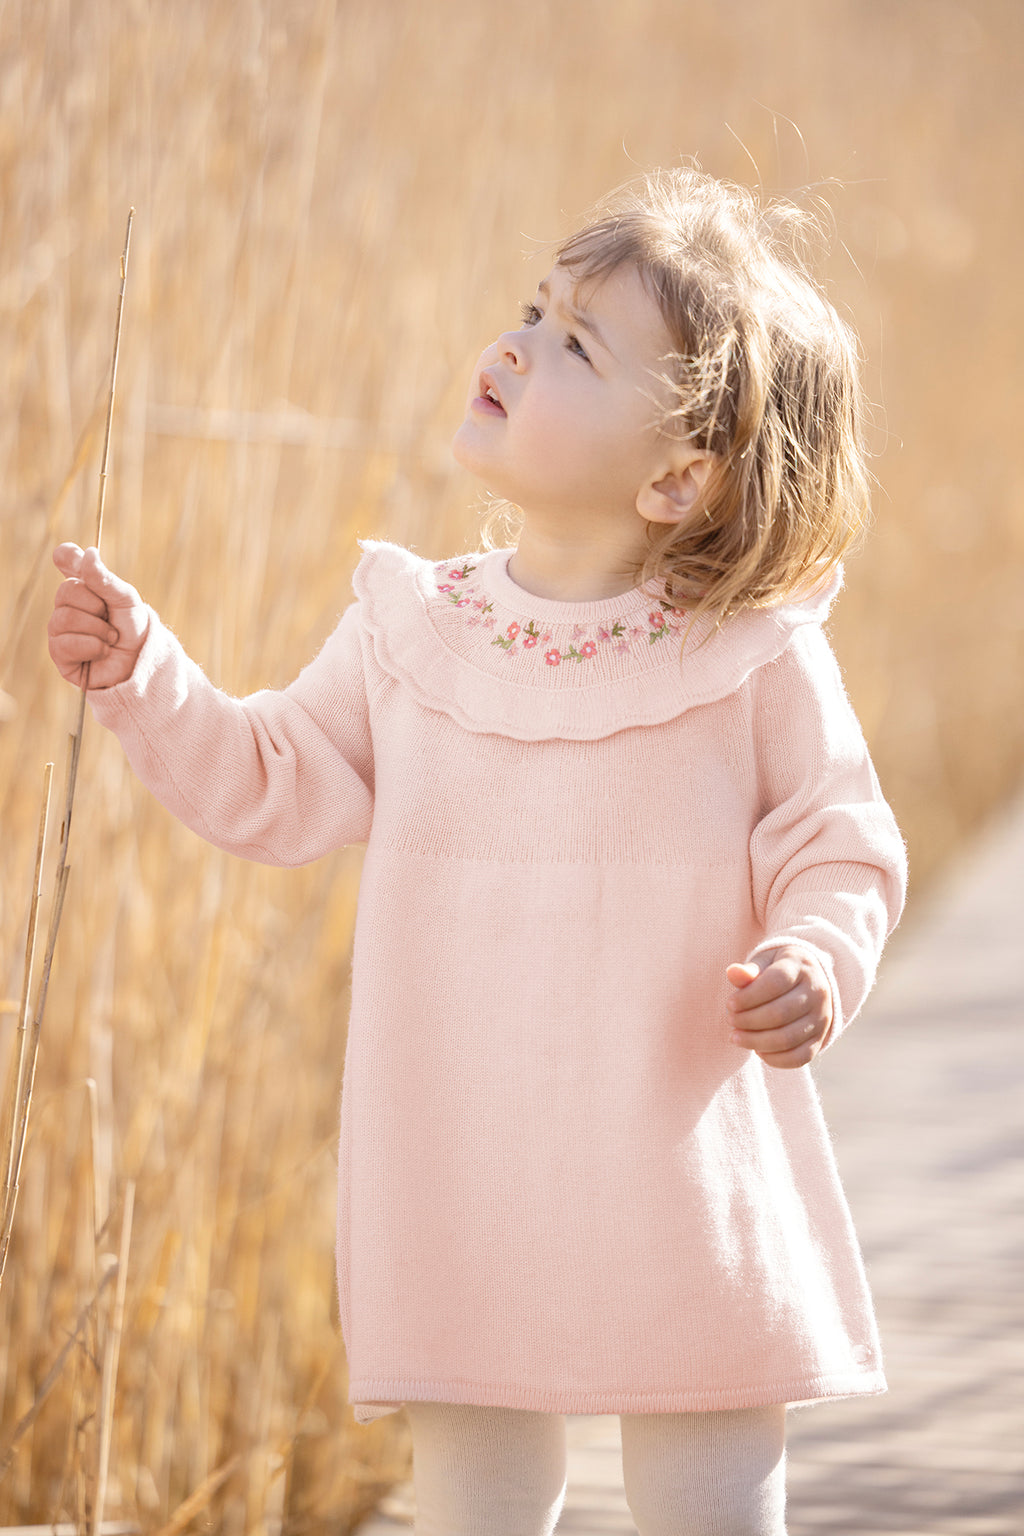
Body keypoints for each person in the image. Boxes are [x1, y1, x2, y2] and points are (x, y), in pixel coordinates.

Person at [48, 167, 907, 1536]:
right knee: (478, 1499)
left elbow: (840, 844)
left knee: (713, 1495)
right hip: (465, 1160)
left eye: (576, 343)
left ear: (680, 476)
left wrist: (817, 956)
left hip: (680, 1157)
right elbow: (271, 781)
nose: (515, 342)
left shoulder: (753, 658)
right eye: (533, 308)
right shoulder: (412, 632)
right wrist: (146, 674)